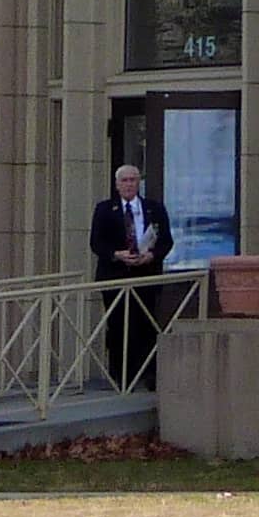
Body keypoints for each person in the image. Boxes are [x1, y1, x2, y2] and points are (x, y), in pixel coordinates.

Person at [89, 162, 174, 388]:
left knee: (145, 325)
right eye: (124, 181)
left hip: (145, 275)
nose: (128, 184)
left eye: (132, 180)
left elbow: (166, 240)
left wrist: (152, 256)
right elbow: (96, 243)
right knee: (118, 326)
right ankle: (121, 377)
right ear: (117, 185)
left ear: (139, 183)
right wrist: (117, 254)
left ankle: (149, 375)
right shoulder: (105, 209)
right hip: (115, 277)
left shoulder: (154, 208)